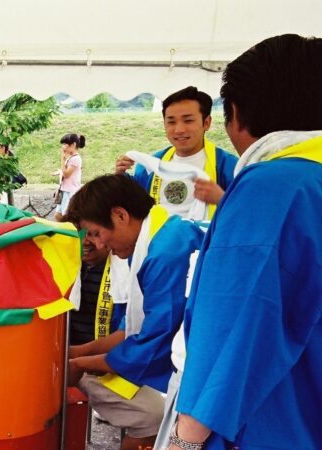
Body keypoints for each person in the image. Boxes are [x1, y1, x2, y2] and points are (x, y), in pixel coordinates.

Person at [167, 34, 322, 450]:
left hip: (274, 422)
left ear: (232, 115)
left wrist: (184, 441)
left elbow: (234, 326)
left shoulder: (272, 186)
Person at [64, 174, 206, 450]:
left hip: (203, 367)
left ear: (120, 215)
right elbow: (134, 331)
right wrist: (79, 354)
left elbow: (153, 344)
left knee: (154, 417)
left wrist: (81, 363)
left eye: (95, 233)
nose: (99, 244)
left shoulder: (164, 255)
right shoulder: (165, 232)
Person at [116, 86, 237, 219]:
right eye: (171, 122)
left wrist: (221, 199)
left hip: (206, 239)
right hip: (157, 238)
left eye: (188, 120)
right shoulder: (151, 165)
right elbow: (131, 205)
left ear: (206, 123)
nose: (179, 129)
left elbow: (245, 213)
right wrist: (120, 176)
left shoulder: (229, 167)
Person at [69, 235, 123, 346]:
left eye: (94, 234)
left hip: (105, 354)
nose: (85, 242)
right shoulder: (65, 266)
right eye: (80, 231)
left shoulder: (123, 272)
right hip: (68, 351)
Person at [53, 133, 84, 221]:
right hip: (64, 190)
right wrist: (59, 172)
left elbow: (66, 174)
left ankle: (70, 233)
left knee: (67, 217)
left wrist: (62, 160)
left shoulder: (76, 159)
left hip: (70, 192)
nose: (63, 147)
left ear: (73, 145)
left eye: (65, 144)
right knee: (58, 215)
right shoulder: (70, 157)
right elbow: (66, 172)